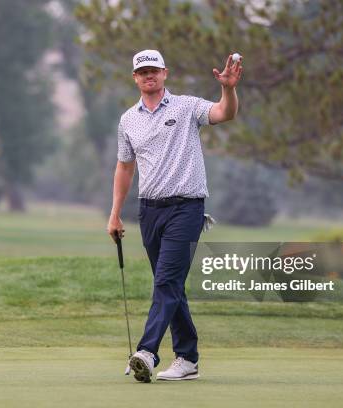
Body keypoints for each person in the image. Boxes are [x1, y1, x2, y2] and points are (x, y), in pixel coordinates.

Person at [106, 49, 242, 383]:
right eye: (142, 72)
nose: (148, 76)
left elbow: (225, 113)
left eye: (154, 70)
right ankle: (188, 359)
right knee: (171, 285)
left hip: (187, 207)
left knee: (166, 281)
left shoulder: (186, 106)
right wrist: (115, 214)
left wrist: (228, 88)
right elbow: (125, 167)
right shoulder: (128, 120)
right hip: (149, 211)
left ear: (165, 73)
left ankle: (147, 353)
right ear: (135, 78)